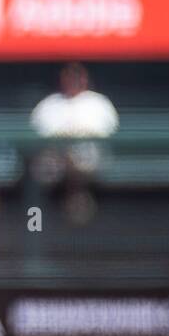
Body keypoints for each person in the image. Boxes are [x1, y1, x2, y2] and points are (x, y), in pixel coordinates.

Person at [30, 62, 118, 224]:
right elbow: (39, 137)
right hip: (55, 164)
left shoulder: (99, 103)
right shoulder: (49, 104)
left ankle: (80, 203)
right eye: (69, 77)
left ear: (85, 79)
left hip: (91, 163)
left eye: (77, 77)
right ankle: (64, 209)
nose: (73, 80)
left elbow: (107, 135)